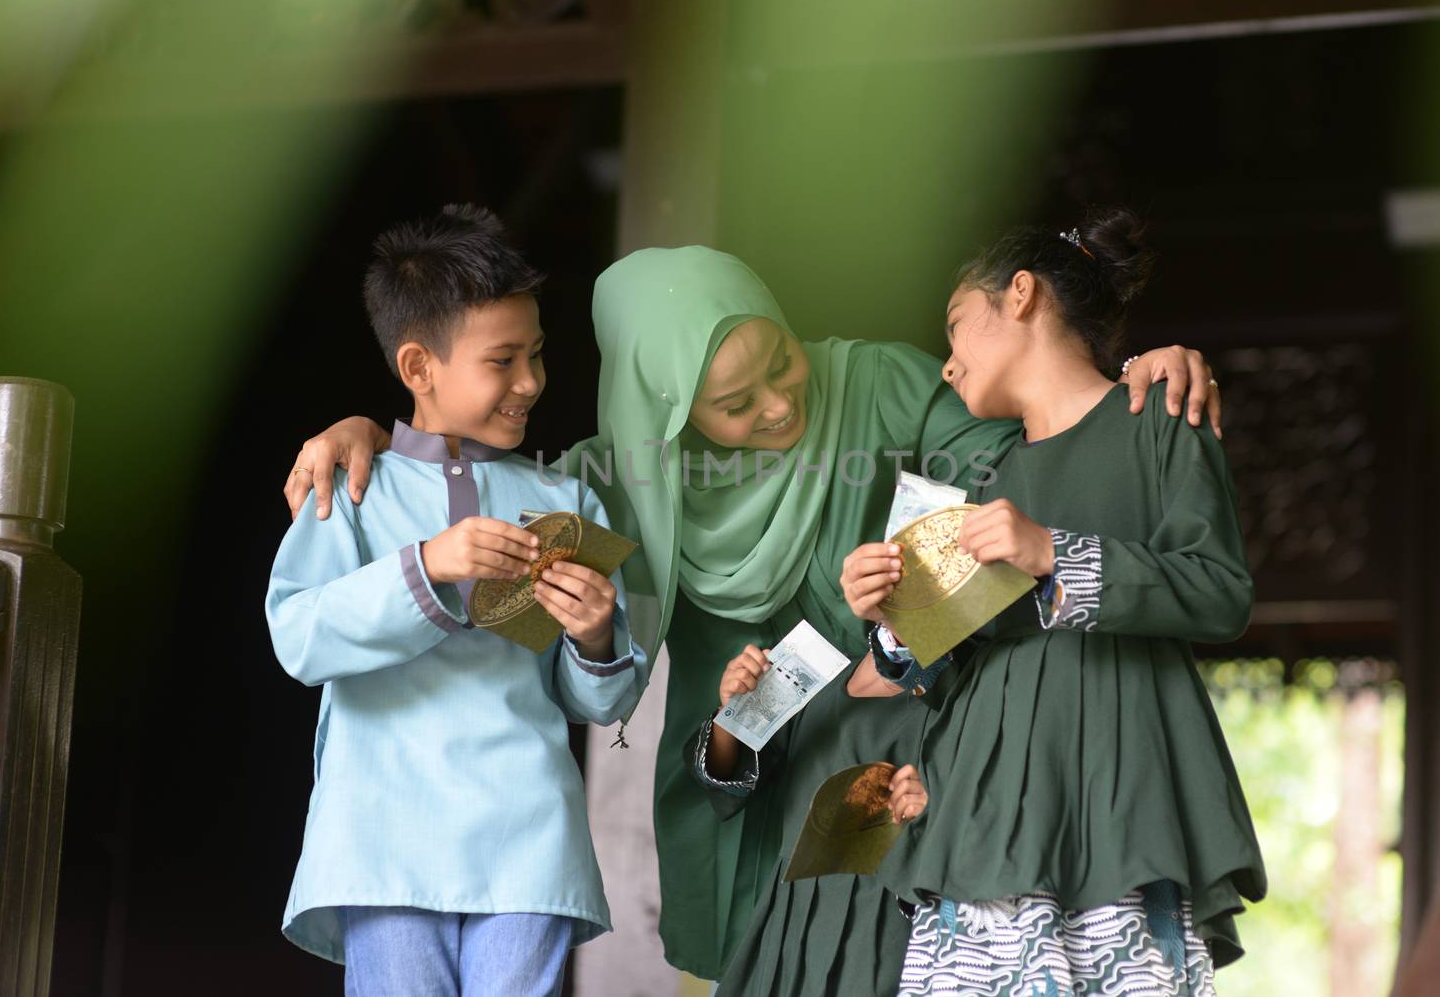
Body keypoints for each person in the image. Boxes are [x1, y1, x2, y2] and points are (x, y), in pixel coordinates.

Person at [281, 244, 1224, 985]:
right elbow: (470, 484)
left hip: (920, 765)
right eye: (733, 404)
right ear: (666, 409)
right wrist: (364, 432)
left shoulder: (879, 386)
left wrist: (1132, 375)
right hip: (760, 792)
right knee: (789, 964)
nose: (780, 405)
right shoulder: (609, 483)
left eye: (781, 360)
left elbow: (1028, 464)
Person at [840, 209, 1265, 996]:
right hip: (980, 815)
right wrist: (890, 621)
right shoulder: (984, 484)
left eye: (957, 326)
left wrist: (1054, 554)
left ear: (1023, 295)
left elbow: (1220, 593)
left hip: (1115, 798)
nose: (947, 363)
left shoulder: (1158, 421)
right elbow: (944, 659)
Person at [266, 204, 646, 997]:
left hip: (529, 834)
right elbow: (297, 637)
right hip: (380, 836)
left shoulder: (566, 500)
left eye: (537, 355)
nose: (531, 382)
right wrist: (426, 566)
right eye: (503, 360)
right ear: (418, 367)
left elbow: (600, 704)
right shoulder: (353, 489)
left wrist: (597, 636)